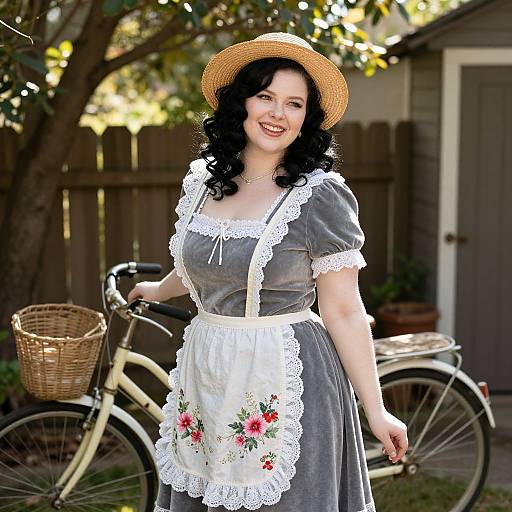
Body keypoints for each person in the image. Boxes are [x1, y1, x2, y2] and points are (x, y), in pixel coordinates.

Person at [128, 32, 408, 512]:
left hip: (287, 375)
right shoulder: (203, 183)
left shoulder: (320, 196)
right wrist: (157, 287)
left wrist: (375, 408)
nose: (278, 113)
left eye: (294, 103)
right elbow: (205, 268)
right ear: (241, 103)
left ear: (307, 117)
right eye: (266, 96)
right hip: (209, 373)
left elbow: (342, 309)